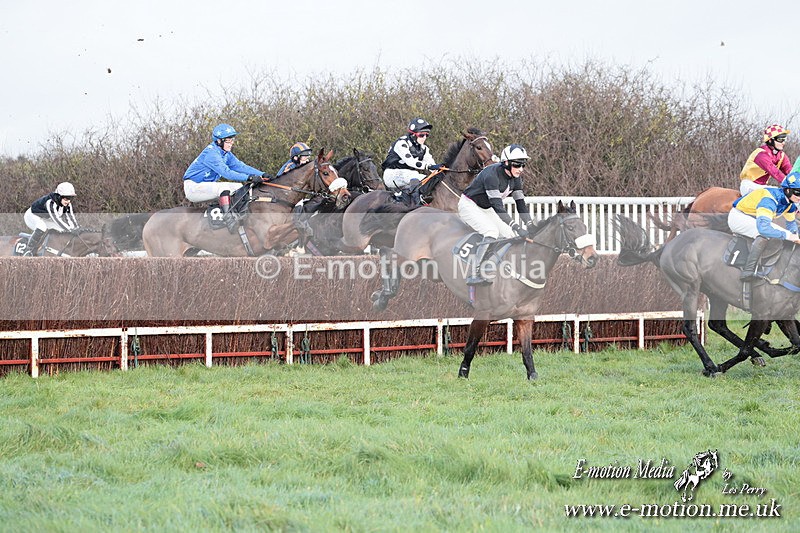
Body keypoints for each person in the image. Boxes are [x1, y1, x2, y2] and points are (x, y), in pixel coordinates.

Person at [458, 144, 534, 285]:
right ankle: (474, 273)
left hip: (486, 208)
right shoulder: (492, 175)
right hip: (469, 205)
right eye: (517, 165)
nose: (521, 169)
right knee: (491, 231)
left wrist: (530, 224)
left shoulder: (516, 179)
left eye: (523, 165)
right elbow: (498, 206)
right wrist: (517, 226)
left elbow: (520, 204)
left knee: (510, 235)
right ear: (506, 163)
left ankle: (494, 266)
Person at [183, 123, 267, 229]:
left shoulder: (225, 153)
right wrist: (249, 178)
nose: (231, 143)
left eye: (232, 140)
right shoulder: (212, 154)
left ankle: (238, 214)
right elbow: (227, 173)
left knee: (238, 187)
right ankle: (229, 220)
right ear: (219, 141)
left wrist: (262, 174)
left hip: (204, 185)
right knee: (224, 187)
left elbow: (241, 166)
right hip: (193, 187)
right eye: (228, 140)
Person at [728, 171, 800, 280]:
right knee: (765, 235)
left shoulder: (789, 203)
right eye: (798, 192)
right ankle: (748, 271)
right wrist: (789, 236)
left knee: (786, 234)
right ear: (788, 190)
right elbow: (764, 228)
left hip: (754, 218)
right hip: (739, 217)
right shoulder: (769, 200)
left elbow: (791, 224)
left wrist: (795, 235)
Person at [382, 117, 442, 204]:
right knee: (417, 176)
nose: (424, 137)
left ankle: (405, 199)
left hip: (408, 177)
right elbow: (410, 161)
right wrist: (428, 166)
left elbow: (431, 163)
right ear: (413, 134)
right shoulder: (401, 143)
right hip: (392, 175)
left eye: (426, 135)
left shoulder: (424, 148)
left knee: (432, 179)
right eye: (421, 135)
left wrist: (440, 170)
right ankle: (417, 203)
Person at [23, 182, 80, 256]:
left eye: (71, 198)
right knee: (42, 227)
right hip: (32, 216)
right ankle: (29, 250)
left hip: (46, 218)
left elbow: (70, 217)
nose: (68, 201)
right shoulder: (50, 203)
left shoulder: (67, 204)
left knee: (61, 230)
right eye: (66, 198)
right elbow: (56, 219)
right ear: (59, 196)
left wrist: (77, 228)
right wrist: (70, 230)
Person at [739, 124, 792, 196]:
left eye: (784, 139)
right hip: (749, 185)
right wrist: (793, 184)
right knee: (776, 194)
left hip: (762, 186)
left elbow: (790, 171)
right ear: (770, 140)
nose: (783, 143)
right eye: (780, 139)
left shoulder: (782, 155)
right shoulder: (761, 154)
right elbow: (775, 172)